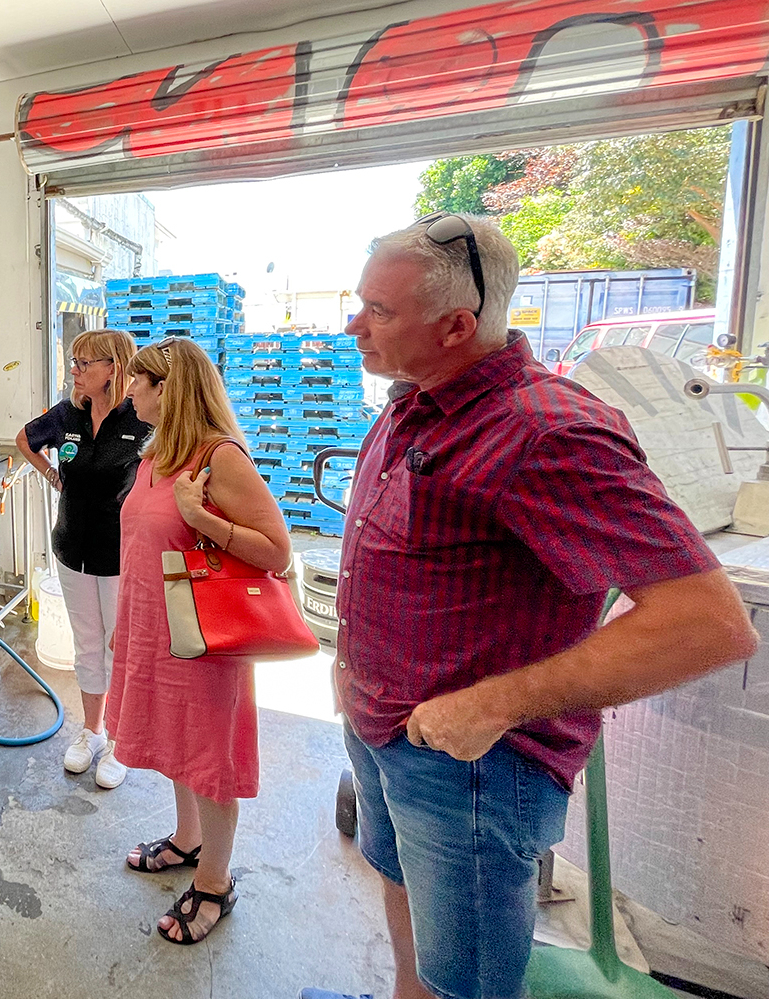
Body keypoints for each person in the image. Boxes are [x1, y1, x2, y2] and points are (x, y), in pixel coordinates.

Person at [301, 215, 756, 999]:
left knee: (470, 977)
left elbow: (707, 621)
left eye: (379, 310)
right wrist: (350, 668)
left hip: (472, 765)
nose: (354, 325)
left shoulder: (546, 430)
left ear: (455, 326)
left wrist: (495, 703)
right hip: (382, 726)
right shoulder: (412, 399)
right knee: (401, 885)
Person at [109, 336, 292, 945]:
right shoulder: (154, 454)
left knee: (211, 757)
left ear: (169, 389)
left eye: (139, 380)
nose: (129, 388)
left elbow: (275, 552)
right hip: (151, 631)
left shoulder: (219, 458)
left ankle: (215, 883)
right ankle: (188, 842)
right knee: (175, 740)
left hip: (202, 638)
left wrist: (203, 515)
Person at [16, 330, 148, 789]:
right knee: (88, 644)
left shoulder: (141, 417)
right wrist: (53, 474)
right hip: (72, 549)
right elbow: (24, 439)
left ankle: (121, 741)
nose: (74, 368)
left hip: (122, 557)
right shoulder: (67, 414)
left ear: (113, 367)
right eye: (72, 360)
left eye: (84, 361)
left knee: (121, 648)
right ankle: (93, 731)